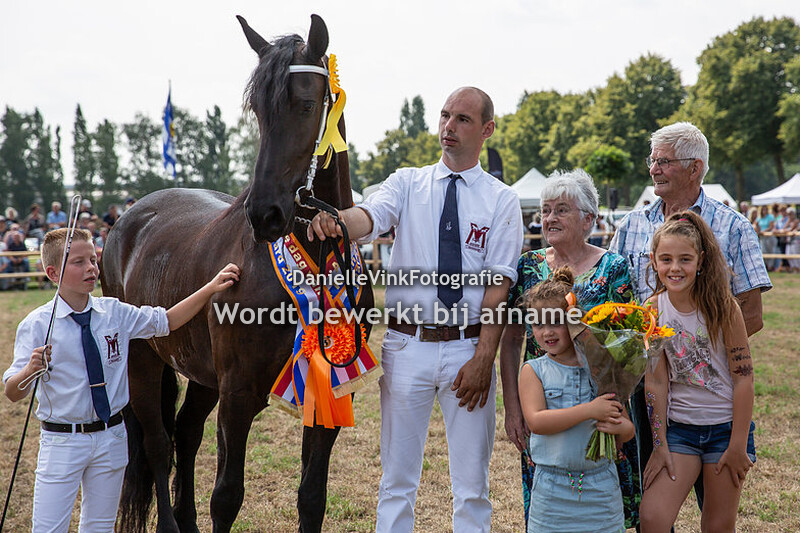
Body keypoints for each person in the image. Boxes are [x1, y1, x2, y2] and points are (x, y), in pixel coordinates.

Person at [308, 87, 523, 532]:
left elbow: (498, 285)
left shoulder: (501, 200)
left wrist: (484, 358)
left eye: (463, 119)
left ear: (486, 130)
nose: (449, 126)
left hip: (467, 349)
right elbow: (370, 216)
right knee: (396, 481)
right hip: (406, 346)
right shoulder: (407, 182)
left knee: (472, 487)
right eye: (445, 116)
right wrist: (339, 223)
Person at [3, 228, 240, 532]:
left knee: (100, 526)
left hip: (111, 438)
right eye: (78, 262)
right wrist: (29, 369)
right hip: (62, 441)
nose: (91, 267)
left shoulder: (113, 312)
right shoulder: (36, 325)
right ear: (52, 273)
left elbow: (165, 321)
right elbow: (12, 392)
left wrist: (209, 288)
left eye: (93, 258)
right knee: (49, 528)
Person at [608, 121, 770, 516]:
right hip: (649, 391)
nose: (653, 169)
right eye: (652, 160)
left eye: (663, 162)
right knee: (654, 508)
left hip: (715, 399)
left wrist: (693, 359)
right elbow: (616, 302)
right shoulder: (630, 226)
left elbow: (751, 312)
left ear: (694, 167)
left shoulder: (733, 227)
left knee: (714, 514)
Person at [500, 169, 639, 530]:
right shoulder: (528, 266)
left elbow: (628, 344)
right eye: (546, 210)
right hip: (543, 399)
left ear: (588, 219)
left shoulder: (613, 268)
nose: (549, 218)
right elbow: (513, 338)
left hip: (602, 411)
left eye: (561, 210)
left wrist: (615, 407)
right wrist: (513, 407)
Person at [639, 211, 756, 532]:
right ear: (653, 261)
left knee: (717, 526)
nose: (675, 268)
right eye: (666, 259)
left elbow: (743, 376)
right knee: (652, 518)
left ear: (701, 260)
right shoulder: (652, 310)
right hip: (680, 432)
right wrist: (660, 443)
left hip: (724, 430)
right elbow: (656, 380)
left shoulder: (723, 306)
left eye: (685, 259)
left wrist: (738, 444)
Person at [518, 266, 632, 533]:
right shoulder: (533, 370)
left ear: (574, 321)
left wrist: (618, 427)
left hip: (600, 489)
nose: (547, 332)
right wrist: (590, 410)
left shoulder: (600, 367)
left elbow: (627, 430)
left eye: (556, 322)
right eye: (538, 324)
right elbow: (537, 422)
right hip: (552, 491)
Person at [754, 205, 776, 271]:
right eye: (763, 209)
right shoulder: (759, 217)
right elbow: (755, 224)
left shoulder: (770, 217)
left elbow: (771, 226)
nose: (764, 211)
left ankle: (770, 266)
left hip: (769, 236)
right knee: (763, 251)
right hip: (762, 237)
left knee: (770, 251)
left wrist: (764, 231)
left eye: (766, 209)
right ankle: (765, 266)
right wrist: (757, 229)